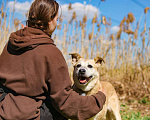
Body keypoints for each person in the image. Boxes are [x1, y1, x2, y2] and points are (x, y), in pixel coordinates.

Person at [0, 0, 106, 119]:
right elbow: (66, 102)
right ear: (50, 21)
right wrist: (99, 98)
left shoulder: (11, 43)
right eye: (56, 19)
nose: (57, 22)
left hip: (3, 109)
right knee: (59, 111)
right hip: (28, 115)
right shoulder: (51, 52)